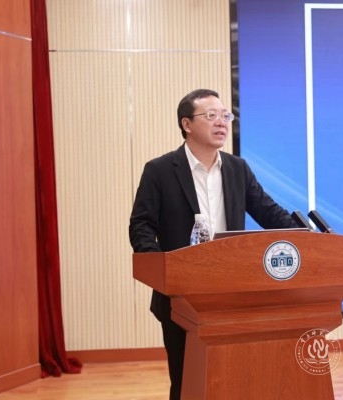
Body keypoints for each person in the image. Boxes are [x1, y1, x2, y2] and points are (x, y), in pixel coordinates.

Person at [129, 89, 299, 399]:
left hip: (231, 291)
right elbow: (141, 226)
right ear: (187, 124)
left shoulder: (237, 168)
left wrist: (306, 238)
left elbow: (268, 212)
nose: (221, 122)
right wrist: (163, 269)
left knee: (233, 378)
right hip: (180, 294)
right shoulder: (160, 170)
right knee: (187, 380)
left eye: (225, 115)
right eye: (211, 116)